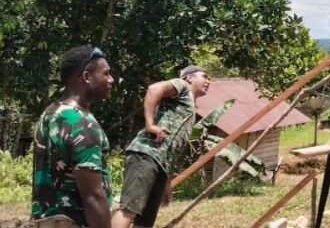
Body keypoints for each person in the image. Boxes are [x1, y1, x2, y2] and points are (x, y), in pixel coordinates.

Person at [111, 66, 212, 228]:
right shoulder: (182, 86)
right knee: (129, 209)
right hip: (147, 153)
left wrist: (166, 182)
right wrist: (150, 124)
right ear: (189, 78)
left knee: (145, 221)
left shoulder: (190, 105)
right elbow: (154, 88)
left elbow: (173, 148)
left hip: (160, 163)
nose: (208, 81)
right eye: (205, 77)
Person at [31, 46, 115, 228]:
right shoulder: (81, 123)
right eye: (106, 74)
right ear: (86, 77)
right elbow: (93, 196)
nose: (111, 80)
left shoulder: (51, 113)